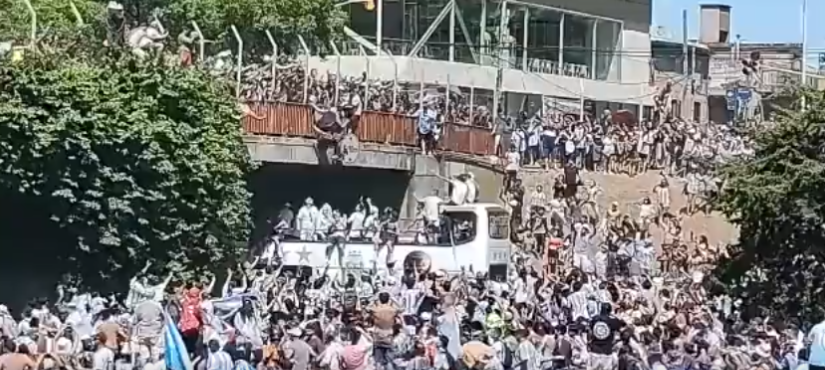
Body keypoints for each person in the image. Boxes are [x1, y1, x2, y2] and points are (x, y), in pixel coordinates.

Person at [588, 304, 624, 370]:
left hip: (595, 350)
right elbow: (620, 326)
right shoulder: (613, 320)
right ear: (609, 310)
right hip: (607, 351)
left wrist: (589, 343)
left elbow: (589, 332)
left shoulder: (594, 319)